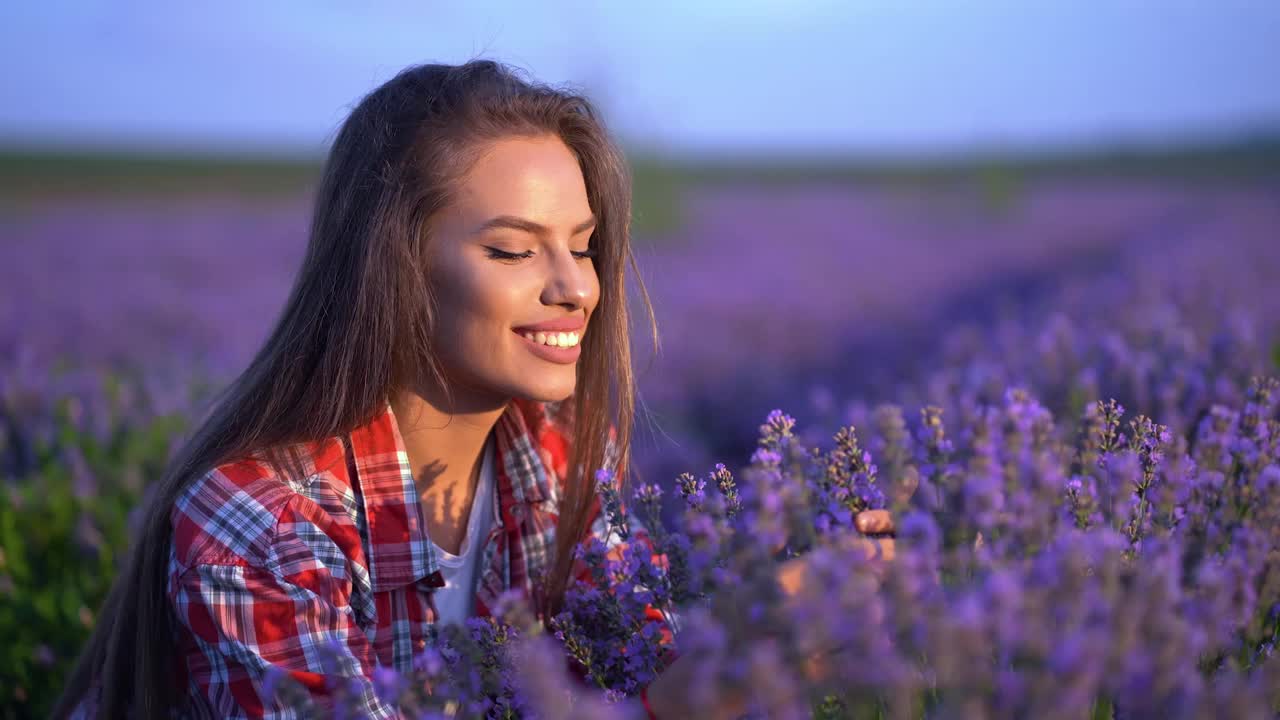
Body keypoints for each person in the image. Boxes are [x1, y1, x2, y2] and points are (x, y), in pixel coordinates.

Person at [53, 59, 895, 720]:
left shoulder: (557, 456)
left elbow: (628, 665)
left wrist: (757, 632)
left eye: (583, 243)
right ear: (396, 268)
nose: (577, 289)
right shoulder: (259, 522)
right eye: (512, 250)